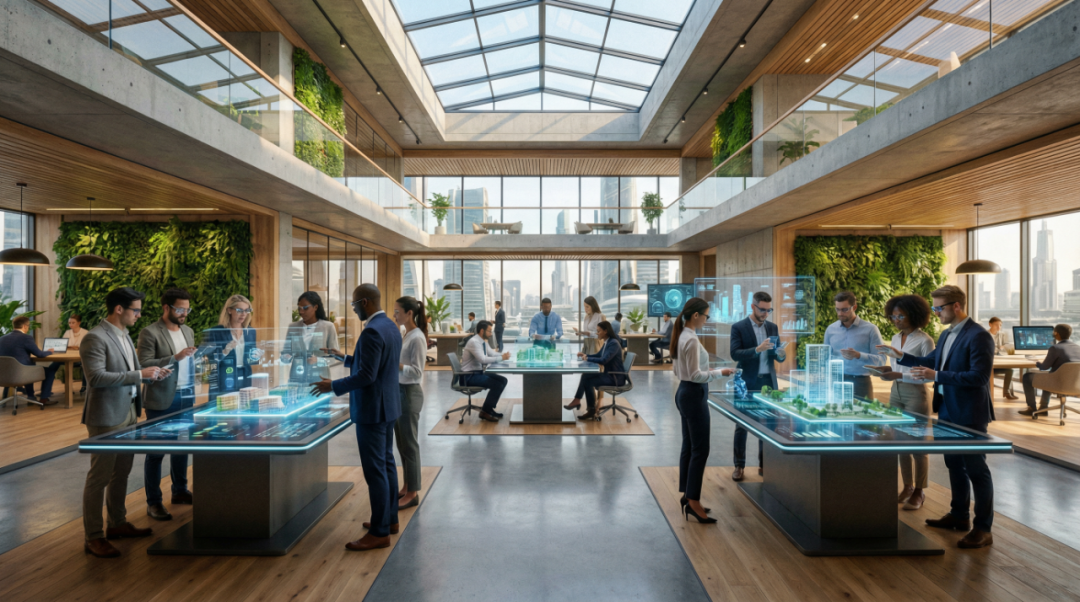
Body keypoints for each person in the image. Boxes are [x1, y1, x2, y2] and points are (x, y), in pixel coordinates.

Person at [883, 285, 996, 549]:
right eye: (934, 308)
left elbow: (979, 377)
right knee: (954, 465)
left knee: (976, 470)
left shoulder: (979, 336)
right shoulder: (947, 335)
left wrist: (938, 377)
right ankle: (959, 516)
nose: (935, 313)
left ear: (956, 306)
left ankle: (983, 528)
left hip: (969, 411)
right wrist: (899, 355)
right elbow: (933, 361)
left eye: (938, 308)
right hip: (947, 408)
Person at [312, 284, 401, 551]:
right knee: (386, 464)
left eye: (353, 305)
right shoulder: (390, 326)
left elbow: (367, 376)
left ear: (365, 302)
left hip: (373, 411)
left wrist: (334, 385)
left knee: (375, 471)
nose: (353, 310)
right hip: (388, 408)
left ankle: (379, 532)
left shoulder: (372, 331)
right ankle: (389, 520)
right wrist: (346, 357)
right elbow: (378, 363)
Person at [81, 287, 168, 558]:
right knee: (100, 477)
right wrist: (137, 374)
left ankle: (117, 524)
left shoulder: (125, 335)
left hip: (129, 412)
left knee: (122, 473)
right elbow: (96, 378)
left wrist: (149, 375)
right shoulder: (94, 338)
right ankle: (93, 537)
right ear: (119, 309)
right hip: (106, 416)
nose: (139, 315)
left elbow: (130, 373)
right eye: (136, 310)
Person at [136, 288, 197, 521]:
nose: (184, 314)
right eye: (180, 309)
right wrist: (175, 357)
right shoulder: (149, 332)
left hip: (186, 396)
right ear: (166, 308)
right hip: (161, 398)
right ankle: (154, 502)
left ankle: (180, 491)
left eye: (187, 309)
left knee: (182, 447)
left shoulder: (189, 331)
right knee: (156, 452)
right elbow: (144, 363)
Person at [671, 297, 734, 523]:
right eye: (706, 315)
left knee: (689, 446)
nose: (707, 320)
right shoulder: (691, 339)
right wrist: (720, 373)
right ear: (696, 315)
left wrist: (713, 370)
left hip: (685, 392)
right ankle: (694, 501)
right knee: (700, 449)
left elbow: (686, 371)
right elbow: (696, 375)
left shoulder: (683, 335)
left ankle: (688, 496)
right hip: (694, 394)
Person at [875, 294, 935, 511]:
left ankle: (920, 490)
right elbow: (897, 367)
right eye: (893, 316)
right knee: (899, 441)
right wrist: (887, 371)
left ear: (914, 315)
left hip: (915, 393)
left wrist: (899, 376)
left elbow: (929, 375)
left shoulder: (924, 340)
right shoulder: (894, 338)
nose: (896, 319)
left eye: (901, 315)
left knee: (918, 443)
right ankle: (908, 485)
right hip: (896, 392)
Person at [729, 291, 785, 481]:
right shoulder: (739, 327)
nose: (766, 314)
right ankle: (739, 465)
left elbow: (776, 355)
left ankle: (764, 464)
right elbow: (735, 354)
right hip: (746, 381)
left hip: (768, 381)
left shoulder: (772, 327)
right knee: (741, 424)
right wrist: (756, 350)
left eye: (769, 310)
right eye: (762, 309)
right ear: (752, 307)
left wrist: (781, 354)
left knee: (768, 425)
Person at [393, 296, 426, 509]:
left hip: (409, 392)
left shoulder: (417, 337)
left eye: (397, 311)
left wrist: (396, 365)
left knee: (410, 444)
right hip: (399, 391)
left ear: (409, 314)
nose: (394, 314)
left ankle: (413, 492)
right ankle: (407, 485)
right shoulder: (406, 334)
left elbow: (417, 371)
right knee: (402, 443)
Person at [823, 291, 887, 398]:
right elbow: (825, 358)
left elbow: (882, 360)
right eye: (837, 309)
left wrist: (858, 355)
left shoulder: (870, 329)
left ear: (854, 307)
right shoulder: (830, 329)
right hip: (836, 382)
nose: (840, 313)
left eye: (845, 309)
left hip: (861, 383)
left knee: (863, 414)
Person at [564, 320, 625, 420]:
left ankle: (589, 409)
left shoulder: (613, 343)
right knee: (586, 376)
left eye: (599, 331)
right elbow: (598, 355)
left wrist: (588, 358)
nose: (597, 333)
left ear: (605, 331)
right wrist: (585, 355)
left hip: (615, 378)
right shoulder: (607, 342)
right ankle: (579, 401)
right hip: (609, 375)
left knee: (588, 381)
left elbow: (604, 360)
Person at [1019, 324, 1080, 417]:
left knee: (1027, 377)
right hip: (1076, 385)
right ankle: (1043, 408)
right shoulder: (1078, 348)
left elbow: (1044, 367)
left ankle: (1032, 408)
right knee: (1049, 376)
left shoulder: (1055, 348)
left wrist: (1037, 362)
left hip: (1058, 383)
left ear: (1056, 333)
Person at [205, 294, 258, 399]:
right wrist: (226, 350)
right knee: (225, 410)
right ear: (229, 310)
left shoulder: (250, 331)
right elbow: (211, 360)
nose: (244, 314)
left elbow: (251, 360)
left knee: (244, 408)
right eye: (239, 310)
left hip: (245, 375)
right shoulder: (216, 331)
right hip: (224, 376)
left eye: (247, 310)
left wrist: (255, 356)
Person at [0, 315, 59, 405]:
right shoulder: (26, 338)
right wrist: (49, 352)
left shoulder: (2, 339)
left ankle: (31, 396)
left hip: (4, 374)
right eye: (28, 326)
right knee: (49, 371)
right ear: (24, 326)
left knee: (28, 365)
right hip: (21, 373)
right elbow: (40, 354)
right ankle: (43, 399)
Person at [460, 320, 511, 422]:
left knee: (503, 380)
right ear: (482, 331)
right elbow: (482, 359)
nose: (491, 334)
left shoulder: (482, 341)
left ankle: (489, 409)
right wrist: (501, 358)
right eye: (489, 331)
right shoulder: (474, 342)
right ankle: (485, 412)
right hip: (468, 376)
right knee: (496, 384)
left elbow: (491, 353)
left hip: (477, 373)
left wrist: (503, 355)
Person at [283, 292, 339, 385]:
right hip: (296, 379)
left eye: (305, 308)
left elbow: (335, 356)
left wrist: (319, 360)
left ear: (315, 307)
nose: (301, 311)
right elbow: (285, 353)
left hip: (320, 380)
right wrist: (285, 357)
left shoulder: (328, 327)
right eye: (299, 308)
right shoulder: (293, 327)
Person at [988, 317, 1017, 399]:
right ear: (990, 324)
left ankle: (1007, 393)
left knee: (1010, 370)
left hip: (998, 358)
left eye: (1000, 325)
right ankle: (989, 394)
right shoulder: (984, 334)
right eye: (996, 325)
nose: (998, 327)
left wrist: (1001, 347)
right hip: (988, 364)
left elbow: (1005, 345)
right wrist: (998, 348)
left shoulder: (1002, 334)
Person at [63, 314, 88, 393]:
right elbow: (63, 346)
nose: (71, 324)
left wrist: (74, 347)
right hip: (67, 357)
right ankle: (46, 392)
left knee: (85, 364)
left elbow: (87, 347)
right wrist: (75, 347)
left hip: (80, 358)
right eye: (69, 323)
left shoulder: (85, 333)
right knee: (53, 366)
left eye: (73, 322)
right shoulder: (67, 332)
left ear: (79, 323)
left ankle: (84, 386)